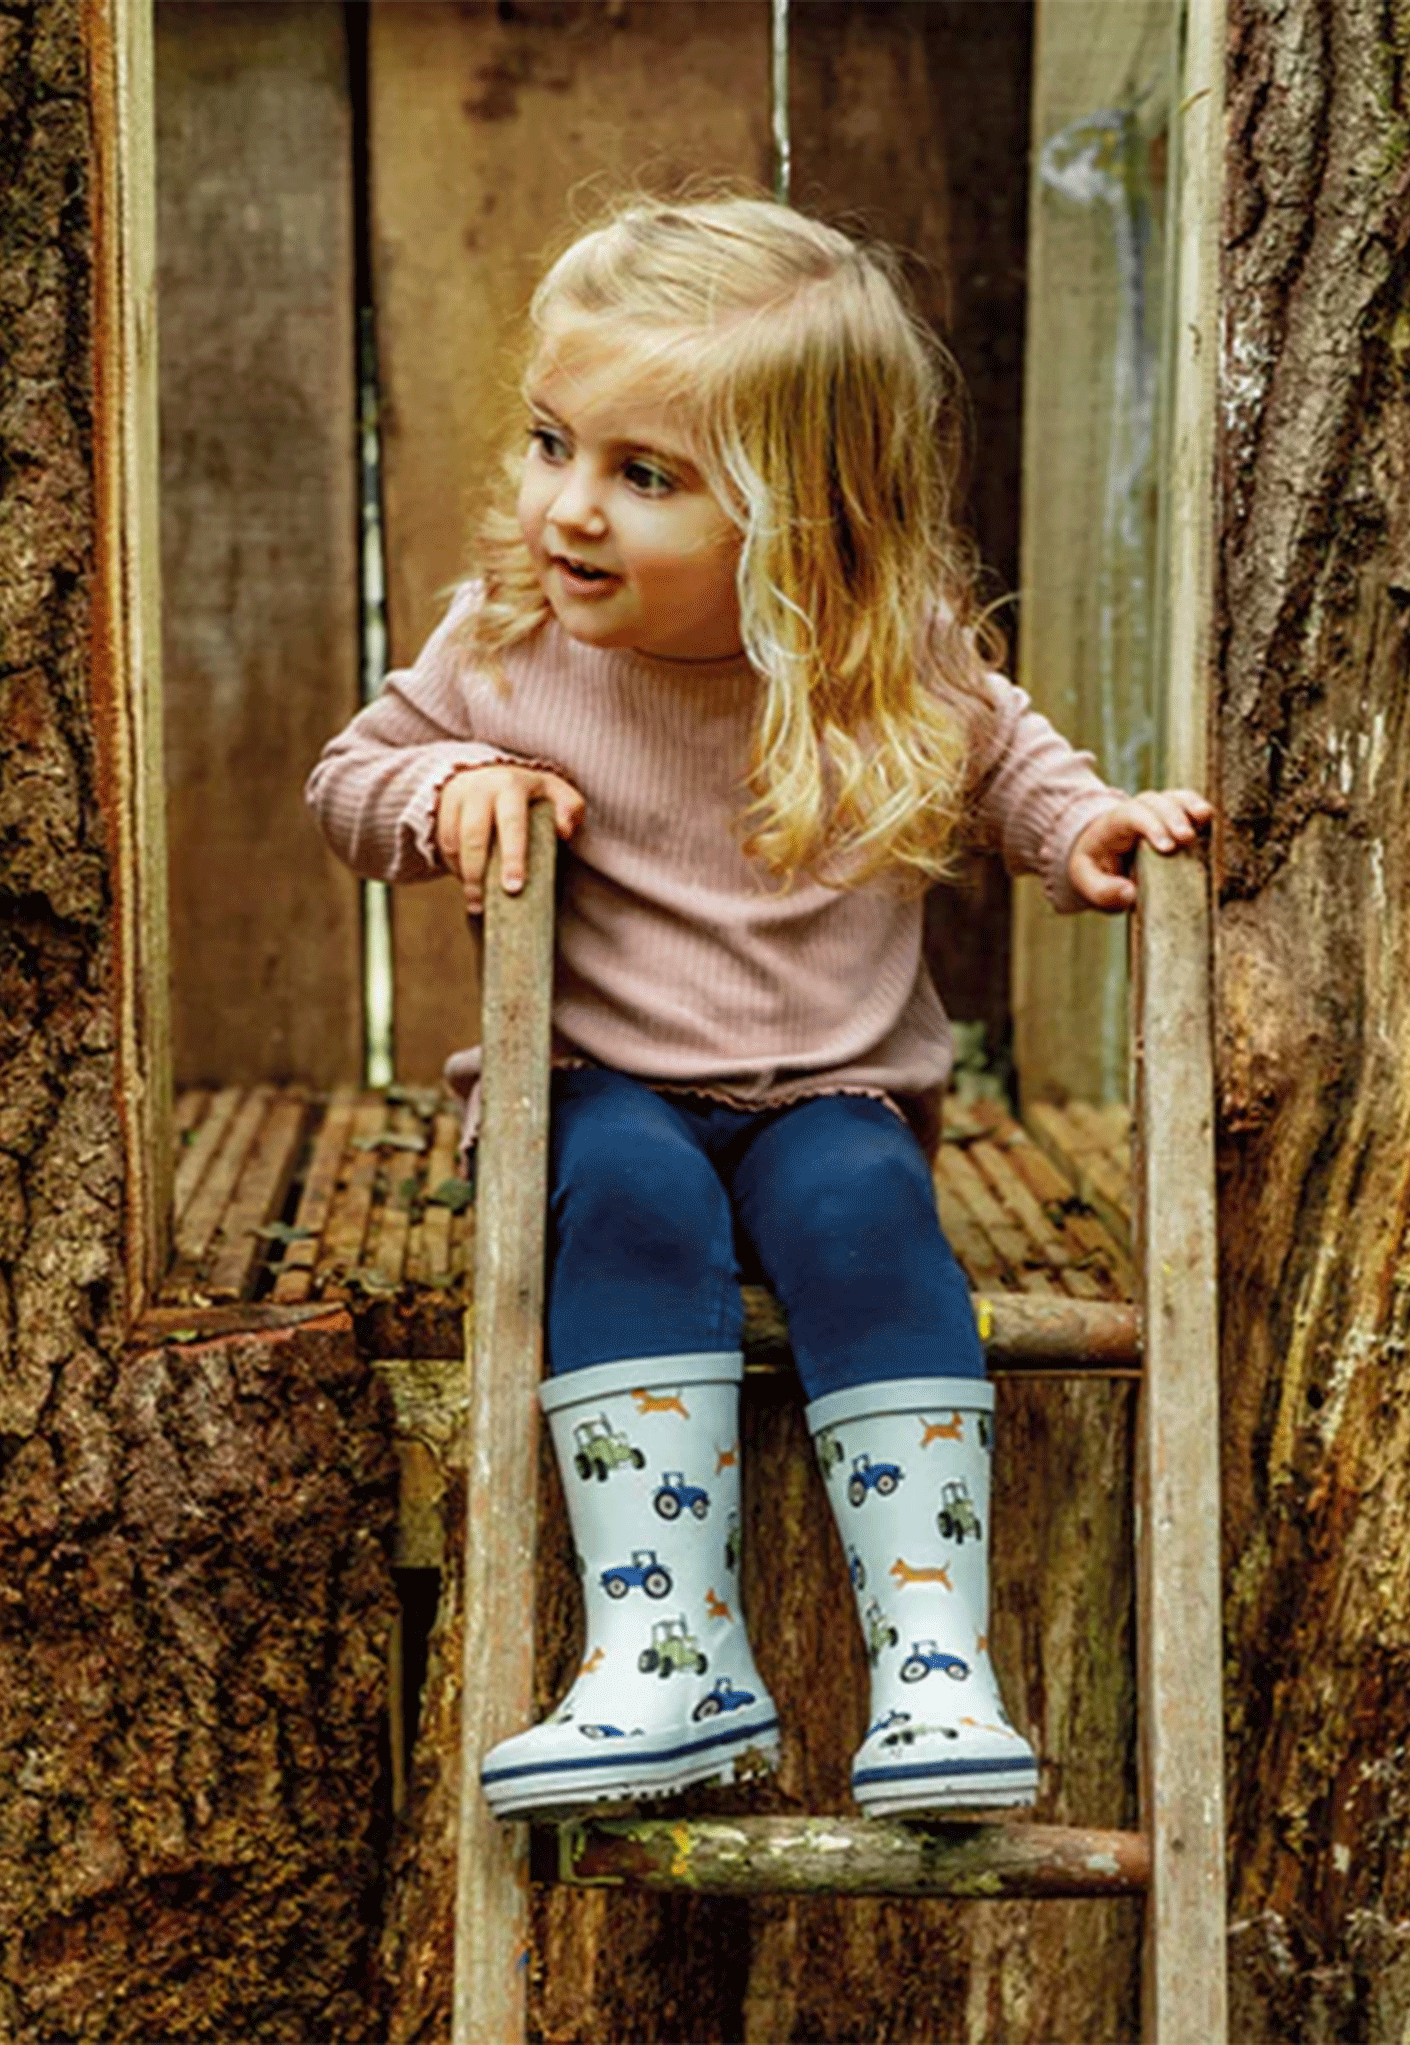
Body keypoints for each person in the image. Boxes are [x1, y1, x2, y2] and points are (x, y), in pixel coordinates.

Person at [307, 193, 1209, 1822]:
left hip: (827, 1096)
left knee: (870, 1210)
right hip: (601, 1087)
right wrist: (450, 780)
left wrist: (1085, 830)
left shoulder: (880, 649)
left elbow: (1006, 756)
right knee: (631, 1193)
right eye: (552, 442)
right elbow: (349, 779)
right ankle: (668, 1648)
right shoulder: (506, 639)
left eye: (644, 476)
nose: (568, 509)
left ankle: (935, 1661)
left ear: (810, 525)